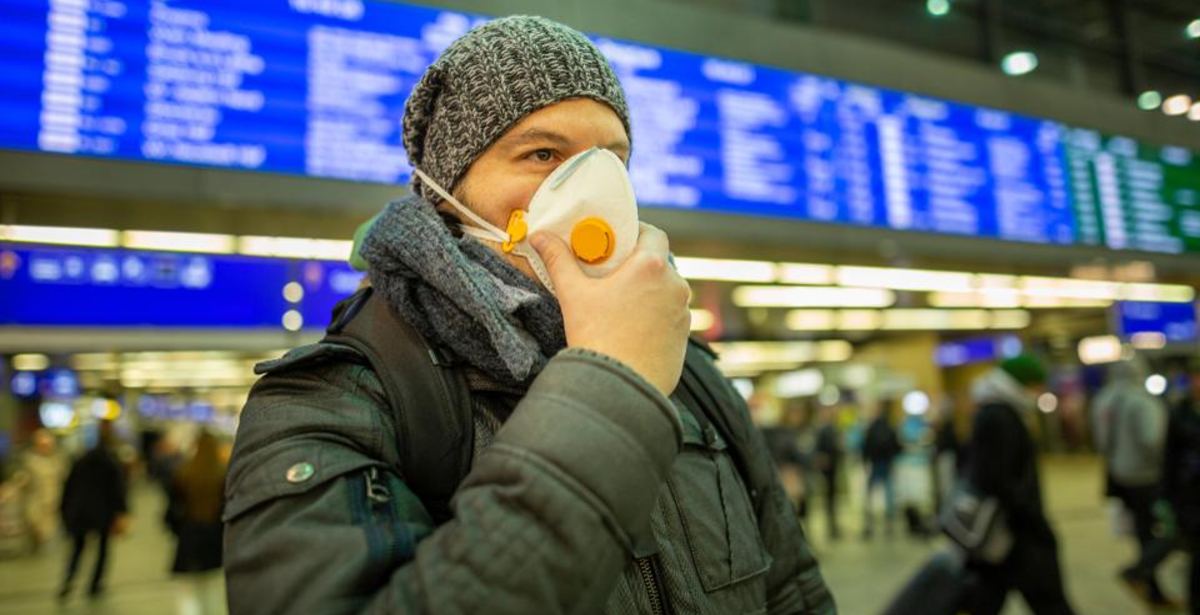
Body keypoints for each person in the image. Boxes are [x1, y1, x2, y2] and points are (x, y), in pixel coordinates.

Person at [222, 15, 835, 614]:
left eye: (613, 161)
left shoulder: (689, 368)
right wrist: (612, 382)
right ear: (447, 190)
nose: (594, 189)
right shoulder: (336, 400)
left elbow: (791, 590)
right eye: (543, 153)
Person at [962, 355, 1076, 615]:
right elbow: (996, 478)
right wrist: (1031, 517)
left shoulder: (1000, 412)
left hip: (1006, 529)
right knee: (1050, 602)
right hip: (1014, 528)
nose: (1039, 393)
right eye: (1037, 386)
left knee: (988, 599)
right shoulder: (999, 416)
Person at [1091, 358, 1171, 606]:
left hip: (1119, 474)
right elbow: (1153, 441)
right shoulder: (1143, 401)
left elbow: (1101, 442)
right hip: (1148, 476)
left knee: (1142, 530)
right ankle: (1140, 573)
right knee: (1172, 529)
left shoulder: (1102, 400)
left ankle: (1152, 587)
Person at [58, 420, 129, 599]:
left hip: (80, 510)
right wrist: (122, 512)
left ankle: (68, 581)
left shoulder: (81, 461)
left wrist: (64, 510)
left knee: (77, 549)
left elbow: (69, 487)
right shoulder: (111, 463)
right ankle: (95, 585)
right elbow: (117, 490)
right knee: (103, 549)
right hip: (103, 512)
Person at [170, 431, 226, 615]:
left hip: (189, 536)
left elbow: (171, 510)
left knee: (188, 591)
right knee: (213, 590)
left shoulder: (183, 473)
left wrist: (177, 530)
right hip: (214, 538)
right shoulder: (222, 474)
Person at [21, 429, 66, 552]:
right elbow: (23, 479)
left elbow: (63, 479)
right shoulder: (30, 461)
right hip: (35, 501)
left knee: (48, 530)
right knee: (35, 525)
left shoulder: (58, 461)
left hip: (52, 502)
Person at [861, 400, 901, 538]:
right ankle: (889, 524)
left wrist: (865, 461)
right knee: (888, 495)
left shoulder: (871, 427)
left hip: (875, 463)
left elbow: (865, 446)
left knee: (870, 494)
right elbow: (897, 446)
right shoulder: (890, 427)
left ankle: (869, 524)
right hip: (887, 464)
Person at [814, 405, 843, 539]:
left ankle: (833, 525)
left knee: (831, 497)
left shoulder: (831, 429)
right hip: (827, 468)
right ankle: (831, 526)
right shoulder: (824, 430)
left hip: (833, 467)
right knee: (828, 497)